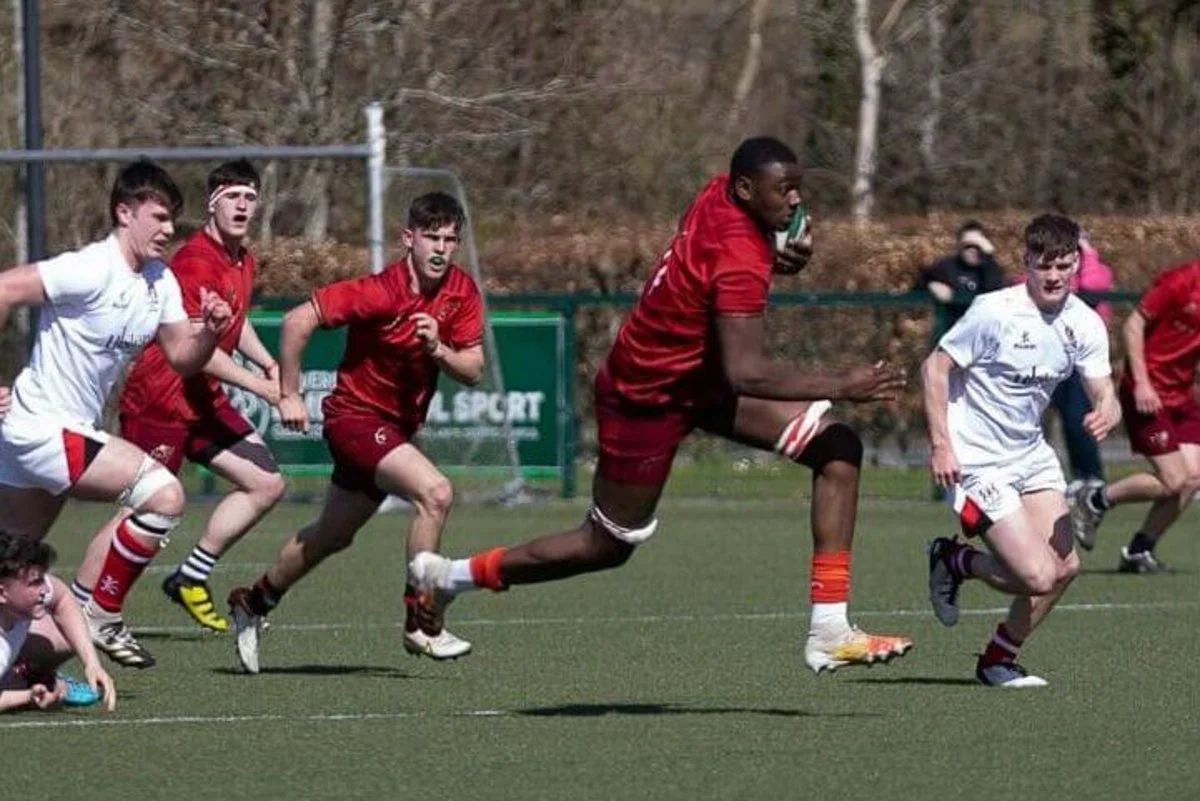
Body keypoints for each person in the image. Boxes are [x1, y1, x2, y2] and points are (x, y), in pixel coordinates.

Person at [408, 136, 912, 675]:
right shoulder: (740, 256)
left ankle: (830, 630)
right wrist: (844, 382)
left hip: (701, 377)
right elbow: (746, 372)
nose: (795, 201)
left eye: (797, 189)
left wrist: (778, 247)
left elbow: (732, 272)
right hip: (646, 395)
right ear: (746, 190)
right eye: (783, 190)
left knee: (838, 449)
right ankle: (449, 577)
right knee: (605, 544)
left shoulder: (718, 192)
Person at [226, 191, 485, 673]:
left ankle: (253, 602)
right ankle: (420, 622)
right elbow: (297, 320)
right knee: (436, 493)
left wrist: (439, 350)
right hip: (355, 420)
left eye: (450, 240)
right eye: (431, 237)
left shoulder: (461, 292)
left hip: (393, 430)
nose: (440, 249)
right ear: (408, 239)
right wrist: (289, 393)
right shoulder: (379, 291)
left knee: (331, 535)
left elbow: (473, 368)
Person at [0, 161, 232, 669]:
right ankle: (99, 610)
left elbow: (182, 357)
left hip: (50, 434)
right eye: (159, 216)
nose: (169, 229)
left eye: (173, 219)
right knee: (163, 494)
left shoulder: (159, 281)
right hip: (43, 428)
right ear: (124, 213)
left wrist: (211, 332)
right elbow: (4, 289)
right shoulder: (90, 267)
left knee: (13, 570)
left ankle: (21, 673)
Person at [70, 160, 285, 639]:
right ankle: (79, 609)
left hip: (202, 402)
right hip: (161, 401)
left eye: (250, 198)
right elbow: (197, 353)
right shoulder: (194, 262)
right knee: (140, 510)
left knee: (266, 483)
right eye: (232, 197)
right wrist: (264, 389)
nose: (242, 207)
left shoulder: (242, 260)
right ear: (212, 204)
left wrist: (268, 363)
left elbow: (234, 325)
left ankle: (190, 576)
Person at [923, 214, 1120, 688]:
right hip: (975, 462)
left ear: (1077, 264)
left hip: (1030, 455)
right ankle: (955, 560)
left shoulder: (1084, 323)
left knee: (1066, 567)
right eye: (1043, 265)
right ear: (1026, 262)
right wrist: (942, 445)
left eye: (1063, 266)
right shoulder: (994, 311)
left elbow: (1103, 388)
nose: (1053, 276)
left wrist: (1108, 408)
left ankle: (998, 659)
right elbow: (934, 368)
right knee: (1037, 576)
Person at [1068, 259, 1200, 573]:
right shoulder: (1181, 280)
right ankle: (1093, 499)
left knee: (1193, 476)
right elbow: (1133, 325)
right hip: (1147, 392)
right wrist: (1142, 383)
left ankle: (1139, 551)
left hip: (1181, 395)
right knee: (1174, 479)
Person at [0, 532, 116, 712]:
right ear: (2, 593)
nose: (45, 590)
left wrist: (92, 663)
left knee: (70, 635)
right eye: (35, 583)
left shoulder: (15, 587)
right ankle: (20, 680)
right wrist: (28, 697)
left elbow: (62, 598)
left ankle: (26, 673)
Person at [1052, 232, 1114, 489]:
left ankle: (1092, 475)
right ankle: (1077, 475)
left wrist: (1087, 253)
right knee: (1065, 419)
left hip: (1083, 357)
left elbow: (1093, 288)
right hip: (1055, 354)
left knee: (1081, 416)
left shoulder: (1099, 269)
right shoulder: (1053, 272)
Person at [915, 220, 1006, 328]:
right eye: (967, 246)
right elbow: (918, 285)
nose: (972, 250)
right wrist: (931, 285)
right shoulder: (946, 266)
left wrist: (989, 257)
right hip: (953, 330)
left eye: (977, 246)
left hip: (983, 330)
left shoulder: (991, 269)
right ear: (959, 245)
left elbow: (994, 295)